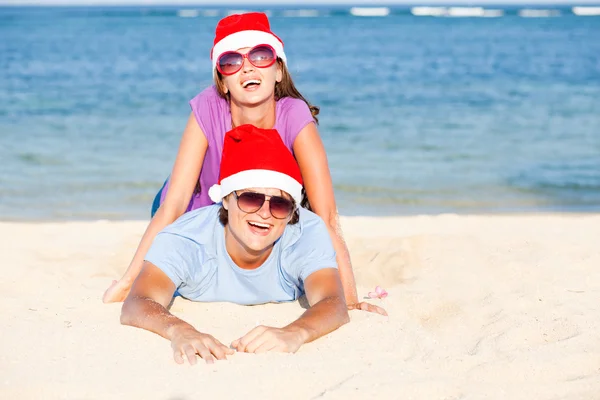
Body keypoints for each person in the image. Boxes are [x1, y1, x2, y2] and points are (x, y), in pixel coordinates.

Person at [105, 12, 384, 315]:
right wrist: (127, 282)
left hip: (261, 211)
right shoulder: (207, 107)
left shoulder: (295, 115)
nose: (247, 67)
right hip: (194, 210)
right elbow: (173, 207)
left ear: (279, 71)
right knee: (168, 205)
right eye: (231, 62)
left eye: (260, 55)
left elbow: (326, 215)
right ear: (222, 83)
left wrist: (350, 297)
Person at [121, 126, 350, 364]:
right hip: (194, 210)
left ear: (292, 211)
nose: (264, 213)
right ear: (227, 199)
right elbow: (137, 302)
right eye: (251, 198)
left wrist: (296, 332)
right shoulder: (187, 239)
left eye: (279, 204)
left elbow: (333, 302)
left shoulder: (305, 232)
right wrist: (179, 330)